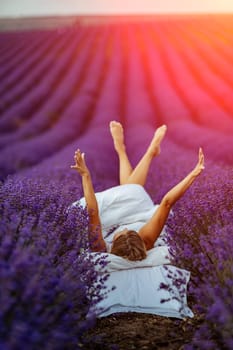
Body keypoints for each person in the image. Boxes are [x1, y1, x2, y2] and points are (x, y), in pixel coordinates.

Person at [71, 121, 204, 261]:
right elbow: (167, 203)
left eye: (122, 232)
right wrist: (193, 174)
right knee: (131, 190)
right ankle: (132, 151)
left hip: (121, 212)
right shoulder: (145, 239)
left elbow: (93, 212)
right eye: (130, 230)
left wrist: (86, 176)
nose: (124, 228)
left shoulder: (100, 247)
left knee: (131, 188)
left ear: (114, 246)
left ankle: (132, 151)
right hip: (138, 211)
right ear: (140, 240)